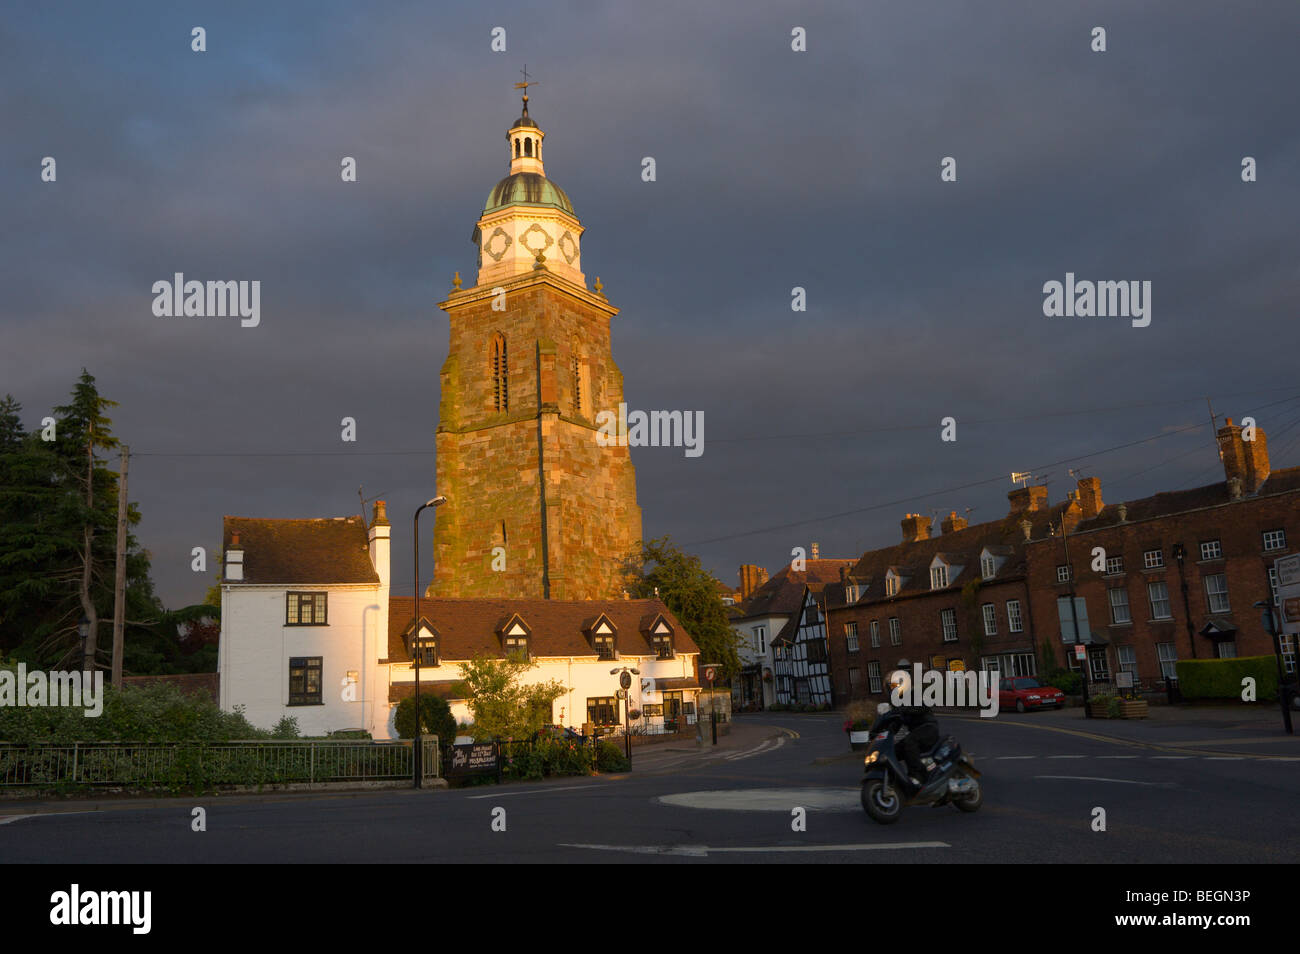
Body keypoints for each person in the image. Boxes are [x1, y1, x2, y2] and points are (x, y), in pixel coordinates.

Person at [889, 662, 939, 787]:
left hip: (927, 727)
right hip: (916, 732)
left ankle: (918, 775)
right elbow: (897, 724)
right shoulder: (898, 703)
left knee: (909, 742)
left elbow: (923, 706)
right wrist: (881, 733)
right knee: (893, 751)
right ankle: (895, 781)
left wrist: (906, 709)